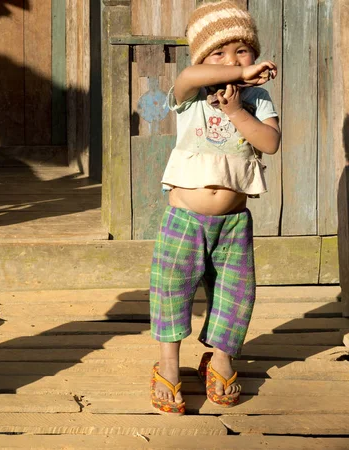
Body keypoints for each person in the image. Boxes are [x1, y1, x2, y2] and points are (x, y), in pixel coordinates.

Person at [149, 1, 280, 415]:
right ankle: (168, 363)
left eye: (242, 51)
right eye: (218, 53)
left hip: (233, 222)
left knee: (235, 293)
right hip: (185, 218)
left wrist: (237, 107)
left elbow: (270, 143)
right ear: (203, 59)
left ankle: (221, 358)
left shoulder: (257, 99)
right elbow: (188, 75)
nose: (232, 60)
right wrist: (235, 74)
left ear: (255, 55)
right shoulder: (192, 96)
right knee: (172, 289)